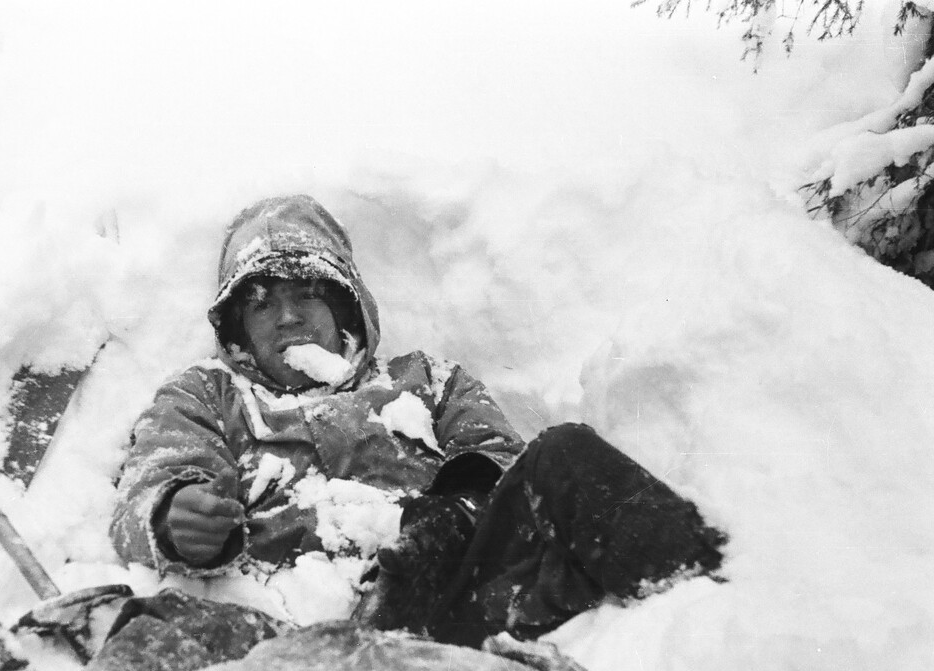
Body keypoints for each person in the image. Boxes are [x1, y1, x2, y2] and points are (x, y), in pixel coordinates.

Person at [110, 194, 726, 646]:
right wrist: (174, 515)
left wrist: (449, 515)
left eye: (306, 293)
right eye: (260, 303)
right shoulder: (209, 392)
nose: (286, 317)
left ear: (346, 302)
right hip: (287, 629)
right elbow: (155, 476)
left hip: (449, 594)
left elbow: (504, 462)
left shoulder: (427, 379)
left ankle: (713, 632)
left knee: (569, 456)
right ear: (238, 328)